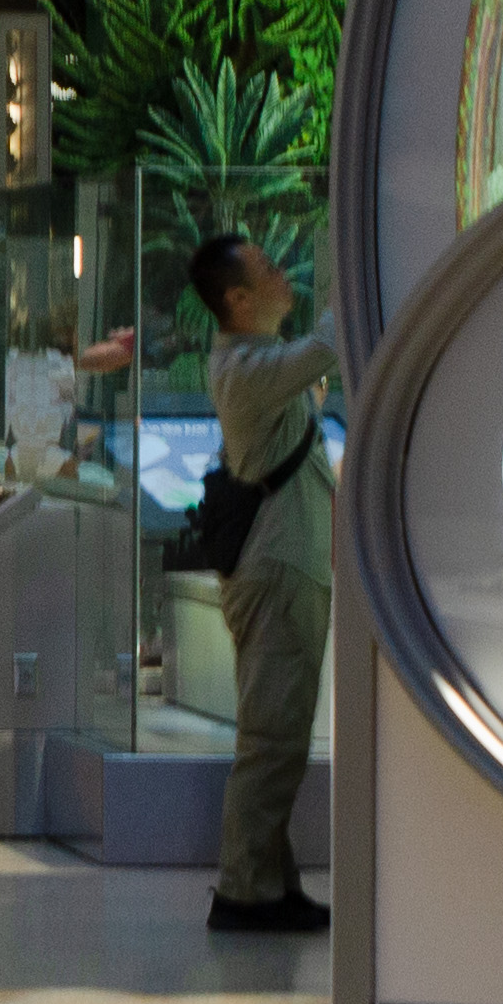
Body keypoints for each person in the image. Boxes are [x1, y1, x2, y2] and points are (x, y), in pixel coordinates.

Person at [197, 228, 341, 934]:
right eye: (267, 268)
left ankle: (269, 879)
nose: (286, 274)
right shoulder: (247, 371)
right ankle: (244, 891)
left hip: (290, 563)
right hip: (279, 568)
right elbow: (328, 346)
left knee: (279, 730)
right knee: (272, 737)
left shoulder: (256, 362)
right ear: (238, 298)